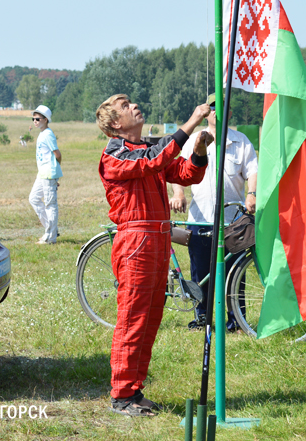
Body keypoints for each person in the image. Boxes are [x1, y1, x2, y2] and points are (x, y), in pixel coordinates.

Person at [96, 94, 212, 417]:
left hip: (157, 241)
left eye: (131, 102)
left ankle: (134, 390)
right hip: (135, 243)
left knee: (150, 320)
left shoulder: (147, 150)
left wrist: (200, 150)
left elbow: (187, 174)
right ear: (116, 124)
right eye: (124, 106)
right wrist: (192, 122)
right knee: (133, 319)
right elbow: (155, 159)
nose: (133, 106)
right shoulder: (114, 153)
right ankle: (121, 394)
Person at [169, 94, 257, 331]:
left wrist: (252, 193)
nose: (219, 111)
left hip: (233, 222)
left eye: (224, 107)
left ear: (230, 112)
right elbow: (177, 169)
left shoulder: (241, 142)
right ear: (207, 111)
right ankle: (202, 319)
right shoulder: (194, 141)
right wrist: (178, 194)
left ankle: (236, 320)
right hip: (201, 220)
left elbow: (253, 171)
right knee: (201, 273)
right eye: (214, 106)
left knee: (235, 273)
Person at [28, 105, 62, 245]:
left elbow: (57, 154)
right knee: (34, 198)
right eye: (34, 119)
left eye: (38, 119)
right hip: (42, 173)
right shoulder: (42, 133)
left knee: (50, 205)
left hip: (48, 173)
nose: (35, 121)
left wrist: (55, 175)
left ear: (46, 120)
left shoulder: (48, 134)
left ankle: (50, 237)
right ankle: (51, 229)